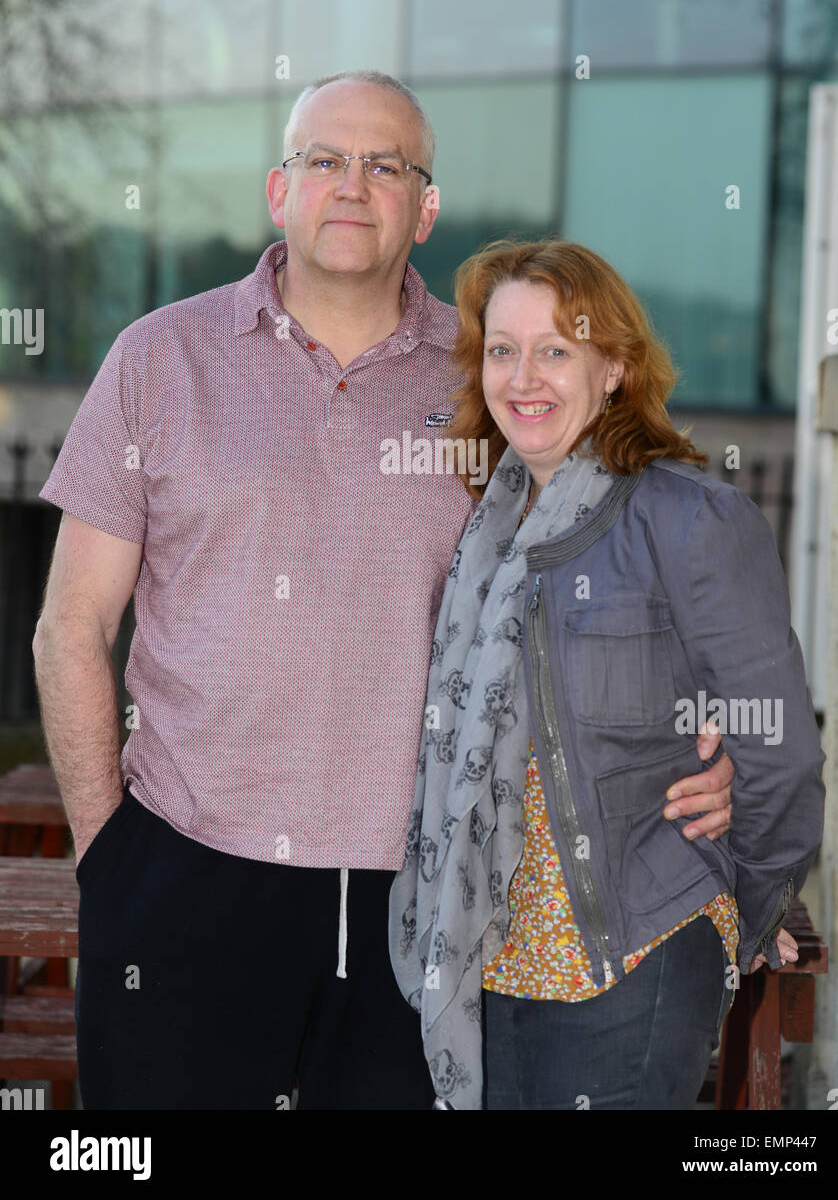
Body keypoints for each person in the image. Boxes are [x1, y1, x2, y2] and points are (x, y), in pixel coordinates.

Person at [33, 73, 733, 1110]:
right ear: (280, 190)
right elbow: (69, 627)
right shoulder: (158, 360)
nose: (351, 186)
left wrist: (701, 738)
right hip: (184, 870)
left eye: (385, 165)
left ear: (425, 205)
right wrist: (107, 856)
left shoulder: (491, 381)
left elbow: (610, 587)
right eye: (324, 160)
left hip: (424, 893)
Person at [389, 238, 826, 1111]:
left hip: (631, 954)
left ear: (615, 366)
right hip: (493, 953)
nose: (524, 378)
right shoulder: (490, 530)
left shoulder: (690, 519)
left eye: (556, 350)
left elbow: (777, 748)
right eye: (502, 351)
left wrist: (750, 899)